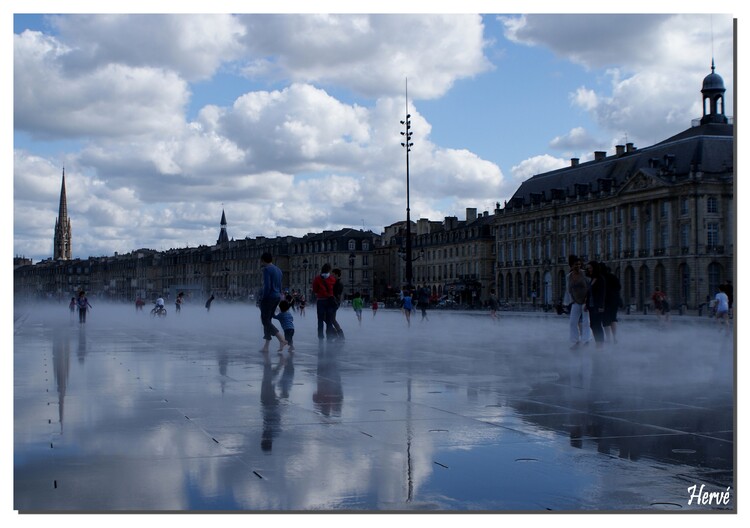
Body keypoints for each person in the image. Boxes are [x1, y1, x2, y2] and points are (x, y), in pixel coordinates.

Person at [259, 252, 288, 354]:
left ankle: (281, 338)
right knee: (268, 320)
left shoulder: (266, 269)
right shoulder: (278, 270)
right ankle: (266, 346)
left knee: (265, 320)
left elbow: (267, 286)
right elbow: (280, 286)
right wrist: (279, 296)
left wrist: (263, 297)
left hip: (269, 297)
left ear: (263, 260)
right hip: (276, 297)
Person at [567, 256, 591, 349]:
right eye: (576, 264)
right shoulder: (569, 276)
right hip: (576, 301)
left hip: (585, 300)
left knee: (586, 321)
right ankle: (575, 341)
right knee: (573, 322)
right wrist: (571, 299)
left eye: (579, 264)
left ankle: (586, 341)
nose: (578, 266)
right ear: (571, 265)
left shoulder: (585, 274)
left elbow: (589, 287)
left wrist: (587, 299)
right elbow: (569, 289)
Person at [312, 263, 337, 340]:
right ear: (329, 270)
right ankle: (329, 337)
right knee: (329, 320)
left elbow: (315, 290)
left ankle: (320, 337)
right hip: (329, 301)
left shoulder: (317, 279)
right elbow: (335, 290)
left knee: (320, 320)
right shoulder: (332, 279)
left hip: (321, 301)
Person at [585, 261, 606, 348]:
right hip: (591, 305)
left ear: (594, 268)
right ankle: (598, 342)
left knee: (597, 324)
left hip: (598, 305)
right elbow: (589, 293)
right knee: (593, 324)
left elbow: (602, 293)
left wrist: (601, 306)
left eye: (590, 267)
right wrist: (586, 304)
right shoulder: (592, 278)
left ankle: (600, 344)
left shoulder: (600, 279)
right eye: (588, 268)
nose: (588, 269)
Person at [601, 264, 621, 344]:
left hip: (605, 301)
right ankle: (615, 338)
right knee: (613, 318)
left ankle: (608, 338)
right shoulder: (613, 277)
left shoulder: (601, 278)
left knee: (606, 320)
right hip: (615, 300)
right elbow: (619, 287)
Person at [330, 268, 345, 339]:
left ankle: (338, 334)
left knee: (331, 319)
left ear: (336, 274)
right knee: (331, 319)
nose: (331, 276)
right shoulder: (335, 282)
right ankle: (338, 334)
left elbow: (338, 296)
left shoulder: (339, 284)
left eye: (333, 274)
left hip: (334, 303)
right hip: (333, 303)